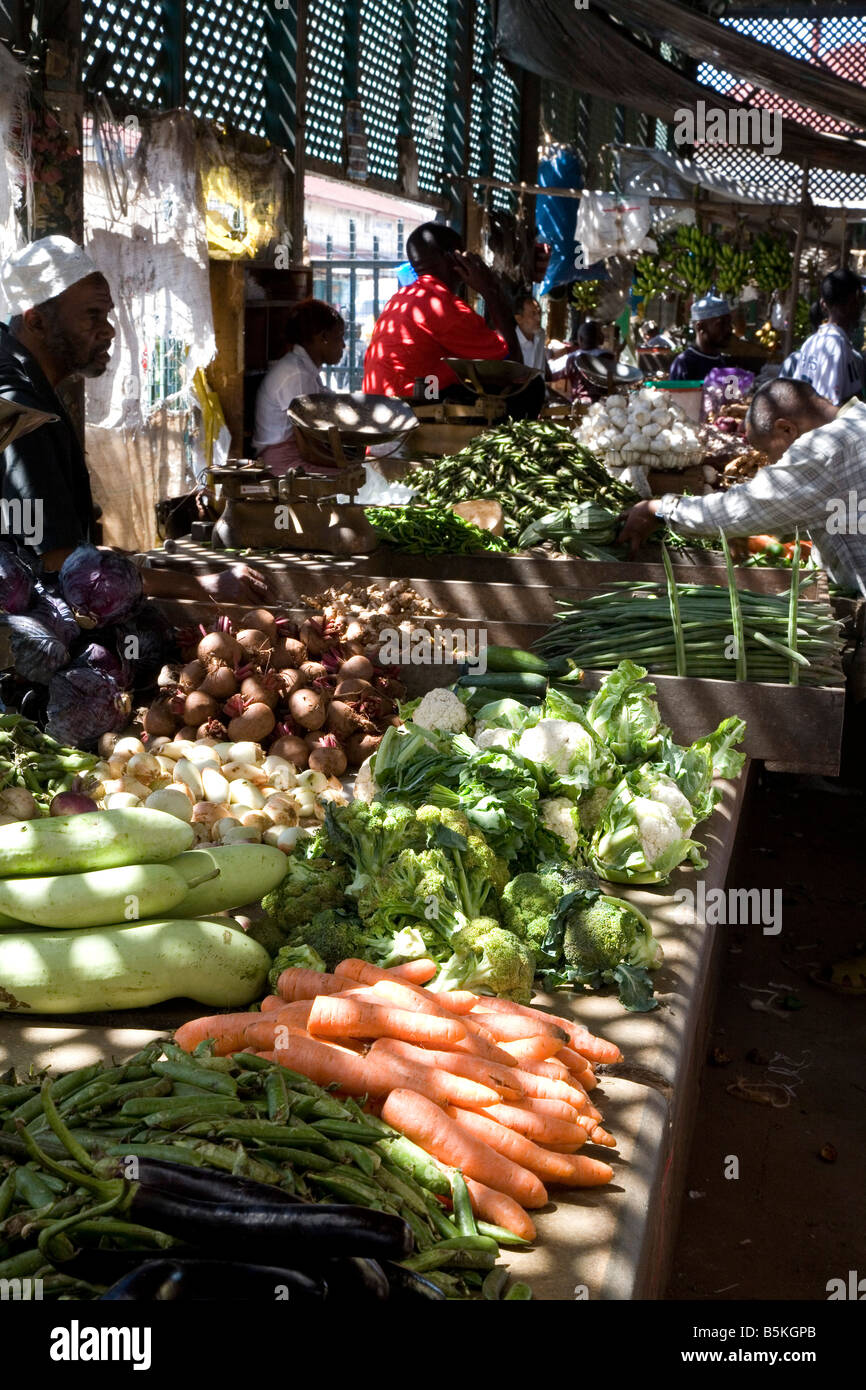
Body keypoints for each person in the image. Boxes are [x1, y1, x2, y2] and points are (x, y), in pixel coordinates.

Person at [0, 235, 268, 605]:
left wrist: (130, 560)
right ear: (36, 321)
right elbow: (56, 562)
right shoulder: (18, 404)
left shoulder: (23, 375)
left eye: (107, 314)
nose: (109, 330)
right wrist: (203, 586)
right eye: (92, 316)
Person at [619, 377, 866, 594]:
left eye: (766, 451)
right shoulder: (859, 419)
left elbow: (741, 507)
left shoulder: (823, 449)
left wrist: (660, 510)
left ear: (786, 428)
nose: (769, 462)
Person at [363, 221, 520, 400]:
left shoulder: (401, 298)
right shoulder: (441, 305)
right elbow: (511, 363)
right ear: (454, 258)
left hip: (380, 399)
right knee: (527, 390)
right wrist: (489, 290)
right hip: (413, 401)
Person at [253, 299, 346, 476]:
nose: (343, 345)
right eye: (339, 337)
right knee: (350, 476)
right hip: (281, 460)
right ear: (323, 338)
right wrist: (342, 463)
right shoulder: (297, 375)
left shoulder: (304, 368)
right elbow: (308, 446)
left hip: (294, 453)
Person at [778, 267, 865, 406]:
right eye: (860, 300)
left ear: (823, 304)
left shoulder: (811, 342)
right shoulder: (837, 346)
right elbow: (833, 405)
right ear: (852, 303)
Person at [670, 292, 733, 382]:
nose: (729, 329)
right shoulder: (685, 363)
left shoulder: (721, 361)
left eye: (729, 323)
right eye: (721, 324)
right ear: (700, 327)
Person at [513, 290, 547, 373]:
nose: (539, 318)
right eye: (533, 314)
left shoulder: (541, 334)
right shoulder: (512, 342)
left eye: (539, 312)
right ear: (519, 319)